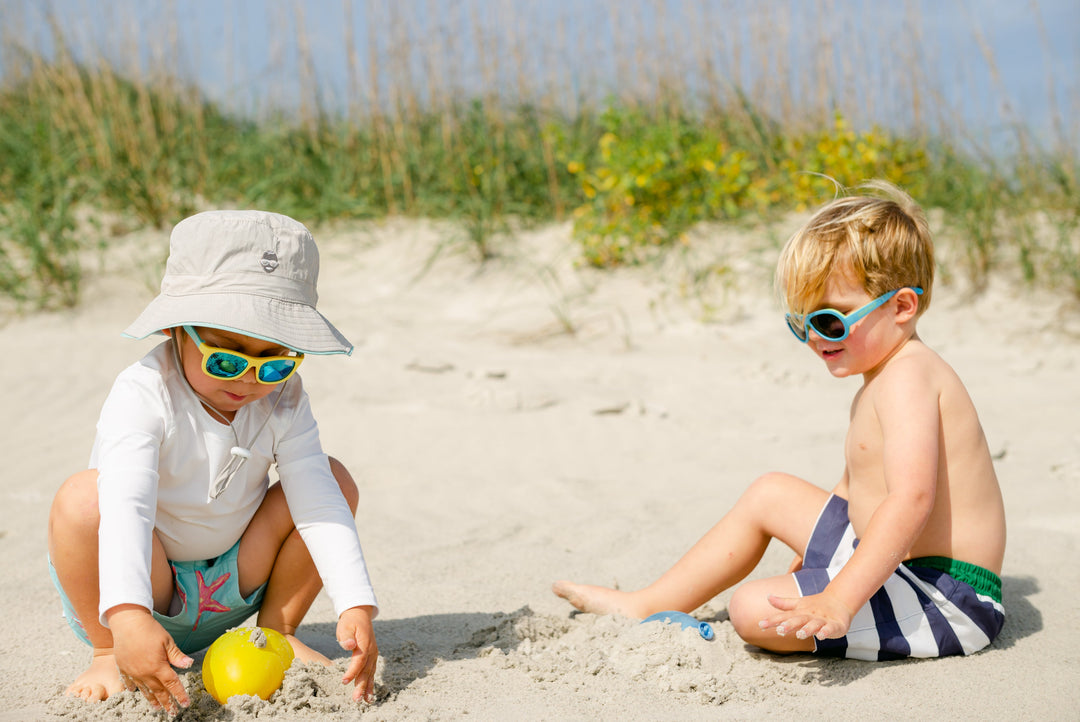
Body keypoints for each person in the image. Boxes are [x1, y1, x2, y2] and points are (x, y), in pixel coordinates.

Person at [553, 180, 1006, 661]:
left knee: (750, 609)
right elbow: (855, 487)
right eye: (801, 322)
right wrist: (820, 551)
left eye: (831, 321)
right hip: (900, 561)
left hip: (946, 599)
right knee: (770, 491)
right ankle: (646, 603)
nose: (815, 337)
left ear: (900, 306)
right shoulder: (881, 376)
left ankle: (835, 600)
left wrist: (839, 596)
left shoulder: (908, 376)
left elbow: (912, 499)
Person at [48, 210, 379, 713]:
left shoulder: (284, 398)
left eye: (273, 361)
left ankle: (277, 632)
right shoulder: (143, 392)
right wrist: (128, 615)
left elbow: (315, 496)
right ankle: (107, 652)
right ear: (177, 331)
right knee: (83, 497)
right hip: (144, 586)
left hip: (234, 582)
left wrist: (355, 601)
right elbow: (127, 507)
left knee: (331, 477)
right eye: (226, 359)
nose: (248, 381)